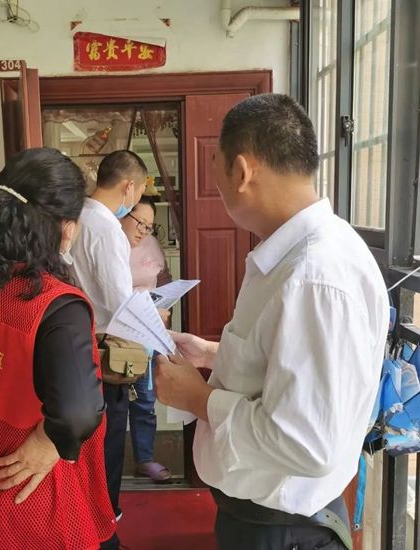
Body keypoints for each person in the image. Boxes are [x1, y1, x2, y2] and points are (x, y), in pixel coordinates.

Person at [154, 94, 389, 550]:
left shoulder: (314, 277)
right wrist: (213, 354)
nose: (216, 185)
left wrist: (198, 399)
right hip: (274, 519)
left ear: (241, 171)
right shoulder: (304, 252)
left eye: (216, 169)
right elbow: (296, 369)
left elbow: (306, 442)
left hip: (283, 529)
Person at [0, 148, 116, 550]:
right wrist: (49, 440)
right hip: (33, 491)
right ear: (66, 228)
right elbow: (78, 413)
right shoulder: (54, 305)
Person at [68, 150, 148, 527]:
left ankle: (87, 521)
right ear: (128, 186)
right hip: (106, 348)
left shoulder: (75, 217)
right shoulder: (106, 228)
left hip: (75, 342)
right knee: (110, 440)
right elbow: (119, 303)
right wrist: (152, 311)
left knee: (86, 445)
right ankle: (106, 525)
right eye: (139, 192)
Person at [120, 197, 172, 483]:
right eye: (140, 223)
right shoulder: (111, 244)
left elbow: (163, 277)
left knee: (145, 399)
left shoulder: (150, 244)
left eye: (149, 226)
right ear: (122, 215)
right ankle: (106, 464)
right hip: (116, 335)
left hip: (148, 332)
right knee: (113, 404)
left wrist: (165, 306)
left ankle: (144, 458)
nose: (144, 231)